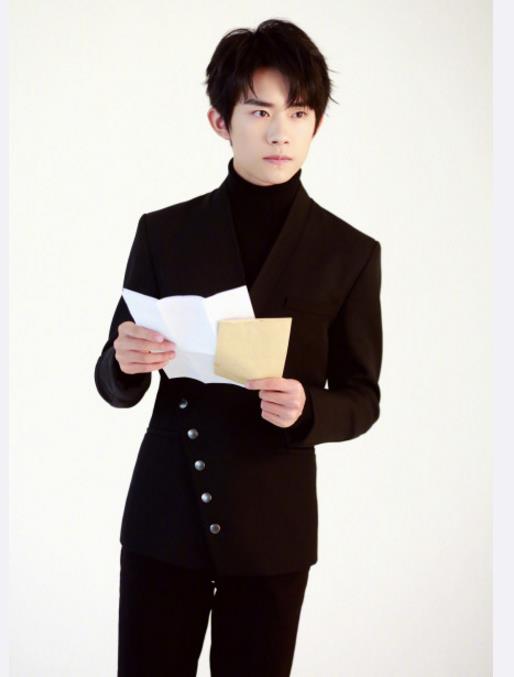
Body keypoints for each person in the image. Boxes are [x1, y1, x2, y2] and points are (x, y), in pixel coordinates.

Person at [94, 18, 383, 677]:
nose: (281, 132)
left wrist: (308, 408)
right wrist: (123, 362)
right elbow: (113, 378)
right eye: (259, 111)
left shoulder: (348, 253)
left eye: (298, 112)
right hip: (166, 516)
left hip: (273, 529)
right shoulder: (165, 233)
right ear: (220, 122)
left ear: (316, 123)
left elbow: (362, 397)